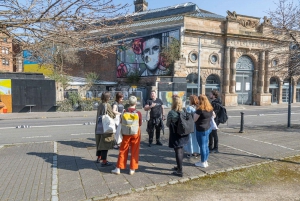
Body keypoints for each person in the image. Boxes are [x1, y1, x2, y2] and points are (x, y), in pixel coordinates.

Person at [111, 96, 142, 175]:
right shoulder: (138, 113)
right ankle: (132, 168)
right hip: (135, 133)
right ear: (135, 103)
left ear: (129, 103)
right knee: (134, 150)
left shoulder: (124, 112)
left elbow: (121, 122)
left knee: (123, 150)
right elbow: (140, 124)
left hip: (126, 133)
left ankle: (118, 168)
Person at [166, 95, 189, 177]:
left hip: (176, 134)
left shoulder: (171, 112)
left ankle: (180, 171)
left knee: (178, 151)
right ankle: (179, 166)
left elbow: (168, 124)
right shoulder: (184, 110)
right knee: (181, 149)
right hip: (184, 133)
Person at [95, 92, 116, 166]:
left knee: (99, 142)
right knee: (105, 143)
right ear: (107, 98)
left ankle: (98, 157)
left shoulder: (100, 105)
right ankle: (104, 161)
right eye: (109, 97)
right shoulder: (107, 105)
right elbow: (112, 115)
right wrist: (115, 114)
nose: (110, 98)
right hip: (105, 127)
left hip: (99, 126)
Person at [194, 95, 213, 168]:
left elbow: (194, 119)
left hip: (200, 129)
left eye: (198, 99)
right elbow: (213, 115)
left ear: (200, 100)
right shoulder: (210, 108)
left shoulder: (200, 109)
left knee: (202, 146)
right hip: (208, 128)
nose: (197, 101)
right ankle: (205, 161)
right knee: (205, 145)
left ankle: (202, 162)